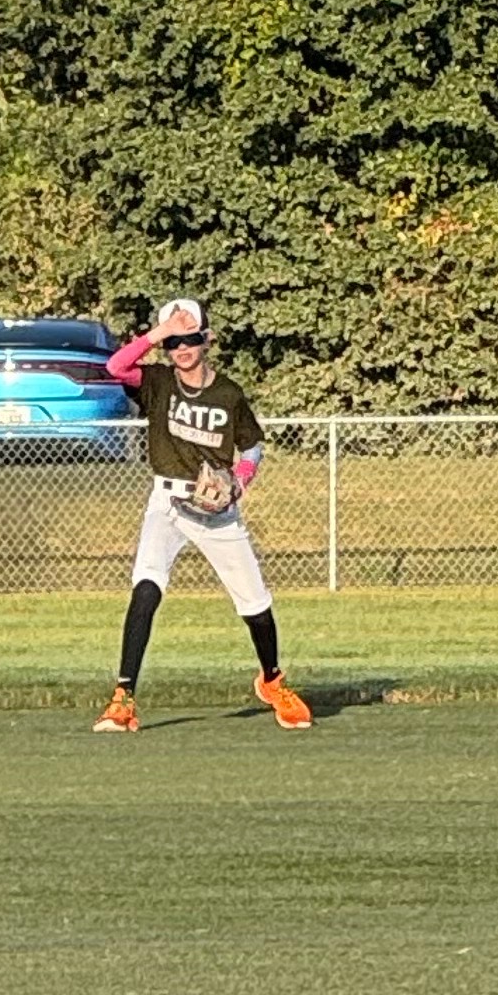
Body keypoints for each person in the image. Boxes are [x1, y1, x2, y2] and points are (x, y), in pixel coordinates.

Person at [94, 298, 313, 734]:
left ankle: (272, 682)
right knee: (146, 587)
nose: (182, 347)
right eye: (173, 341)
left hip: (217, 511)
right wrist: (156, 334)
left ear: (207, 339)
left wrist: (241, 481)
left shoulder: (227, 393)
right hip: (167, 501)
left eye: (190, 337)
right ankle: (124, 698)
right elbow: (115, 368)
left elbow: (251, 444)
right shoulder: (156, 382)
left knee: (256, 606)